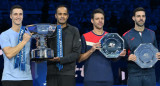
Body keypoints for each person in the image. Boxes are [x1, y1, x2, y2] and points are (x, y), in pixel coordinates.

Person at [78, 8, 126, 86]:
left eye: (102, 18)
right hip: (90, 79)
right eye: (97, 19)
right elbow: (79, 59)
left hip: (107, 79)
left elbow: (114, 59)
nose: (100, 21)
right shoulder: (85, 37)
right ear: (92, 21)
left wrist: (119, 54)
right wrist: (91, 50)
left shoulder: (110, 37)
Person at [122, 7, 160, 86]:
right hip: (134, 74)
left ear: (145, 18)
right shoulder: (126, 35)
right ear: (133, 18)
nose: (141, 18)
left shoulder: (152, 33)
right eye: (138, 16)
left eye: (143, 16)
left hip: (150, 73)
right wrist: (127, 57)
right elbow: (121, 55)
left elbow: (156, 51)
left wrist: (158, 55)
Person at [46, 5, 81, 86]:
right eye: (60, 14)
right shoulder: (49, 30)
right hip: (52, 73)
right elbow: (45, 50)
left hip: (68, 73)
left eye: (64, 14)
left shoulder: (74, 31)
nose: (62, 16)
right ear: (56, 15)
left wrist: (60, 60)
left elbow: (76, 53)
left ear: (67, 16)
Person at [0, 5, 33, 86]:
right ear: (11, 16)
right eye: (15, 14)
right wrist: (24, 41)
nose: (18, 17)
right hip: (9, 79)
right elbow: (9, 54)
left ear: (23, 16)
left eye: (20, 14)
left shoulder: (29, 33)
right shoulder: (4, 35)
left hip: (27, 78)